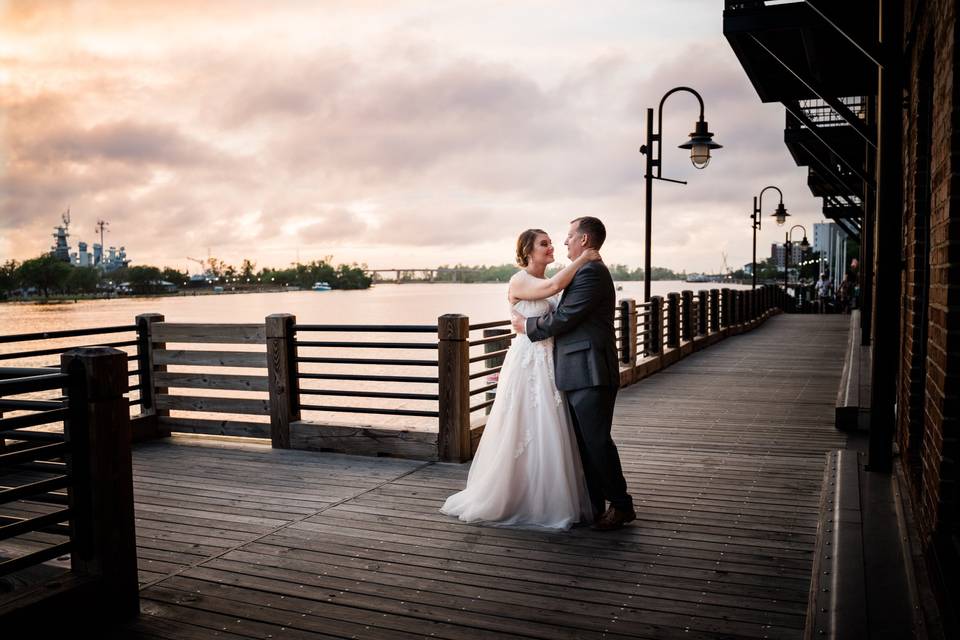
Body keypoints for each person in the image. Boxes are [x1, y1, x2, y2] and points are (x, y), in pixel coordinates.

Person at [440, 228, 600, 530]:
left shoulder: (548, 281)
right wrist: (586, 258)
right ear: (528, 251)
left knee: (550, 424)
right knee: (524, 423)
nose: (551, 246)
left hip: (550, 361)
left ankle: (551, 497)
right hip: (527, 361)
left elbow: (556, 305)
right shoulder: (520, 279)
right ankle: (515, 496)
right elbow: (552, 287)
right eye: (544, 243)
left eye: (552, 242)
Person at [513, 217, 635, 531]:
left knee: (596, 442)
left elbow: (565, 317)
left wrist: (527, 326)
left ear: (583, 239)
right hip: (576, 370)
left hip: (590, 370)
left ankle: (621, 506)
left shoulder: (591, 272)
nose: (564, 242)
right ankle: (594, 506)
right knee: (584, 444)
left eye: (568, 236)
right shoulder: (582, 270)